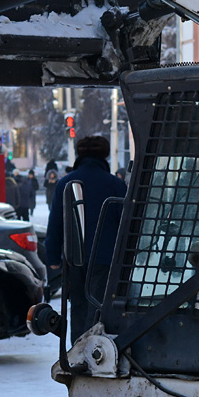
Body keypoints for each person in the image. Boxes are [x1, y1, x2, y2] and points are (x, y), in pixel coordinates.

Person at [45, 136, 126, 343]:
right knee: (98, 307)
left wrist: (53, 257)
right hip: (106, 258)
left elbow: (56, 224)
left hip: (74, 258)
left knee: (78, 306)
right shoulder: (115, 185)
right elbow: (127, 225)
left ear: (80, 155)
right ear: (105, 156)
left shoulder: (66, 183)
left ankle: (76, 353)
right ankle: (95, 352)